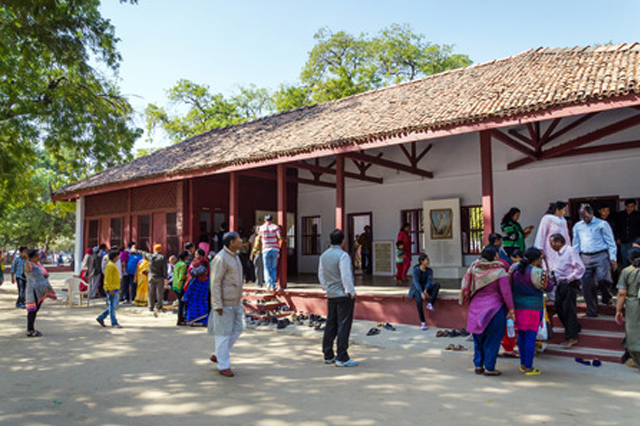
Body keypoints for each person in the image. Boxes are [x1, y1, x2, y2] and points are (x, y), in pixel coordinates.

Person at [461, 246, 514, 376]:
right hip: (494, 309)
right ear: (496, 256)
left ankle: (478, 365)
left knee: (478, 338)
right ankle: (490, 367)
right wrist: (511, 309)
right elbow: (506, 292)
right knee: (493, 339)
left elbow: (466, 286)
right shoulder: (499, 271)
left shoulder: (474, 268)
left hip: (475, 308)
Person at [319, 229, 358, 367]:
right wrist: (351, 291)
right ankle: (342, 356)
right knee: (343, 325)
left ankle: (328, 354)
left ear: (330, 241)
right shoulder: (343, 256)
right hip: (343, 295)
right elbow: (345, 276)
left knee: (331, 324)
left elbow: (321, 275)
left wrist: (326, 288)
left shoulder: (324, 256)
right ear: (343, 241)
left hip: (331, 294)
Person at [510, 247, 551, 375]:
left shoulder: (515, 269)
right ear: (537, 259)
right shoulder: (538, 272)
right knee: (530, 337)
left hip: (518, 306)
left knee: (521, 336)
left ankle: (523, 364)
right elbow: (549, 287)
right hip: (533, 308)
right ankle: (528, 367)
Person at [209, 232, 245, 377]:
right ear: (231, 243)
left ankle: (219, 353)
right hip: (224, 302)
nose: (241, 241)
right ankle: (223, 365)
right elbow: (215, 282)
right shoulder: (221, 258)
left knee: (238, 329)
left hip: (235, 301)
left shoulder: (235, 256)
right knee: (223, 335)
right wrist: (217, 304)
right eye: (238, 240)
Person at [573, 203, 617, 317]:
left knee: (604, 279)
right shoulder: (578, 226)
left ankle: (606, 297)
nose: (585, 219)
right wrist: (574, 259)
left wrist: (613, 258)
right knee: (586, 285)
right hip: (585, 256)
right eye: (582, 217)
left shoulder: (602, 224)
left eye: (586, 217)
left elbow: (611, 242)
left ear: (592, 213)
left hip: (601, 255)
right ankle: (591, 311)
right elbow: (576, 244)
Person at [549, 233, 585, 347]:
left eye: (552, 243)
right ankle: (574, 328)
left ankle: (572, 337)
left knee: (568, 310)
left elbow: (580, 267)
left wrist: (569, 279)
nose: (551, 246)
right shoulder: (558, 254)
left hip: (568, 284)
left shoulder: (570, 251)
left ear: (559, 242)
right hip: (560, 283)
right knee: (560, 309)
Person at [615, 247, 640, 372]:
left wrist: (618, 310)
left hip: (633, 304)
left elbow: (621, 293)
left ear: (630, 259)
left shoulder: (627, 271)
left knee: (634, 334)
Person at [24, 249, 57, 337]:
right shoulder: (30, 264)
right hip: (33, 289)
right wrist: (27, 260)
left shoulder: (38, 264)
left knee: (36, 310)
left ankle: (31, 328)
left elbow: (44, 273)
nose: (39, 257)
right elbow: (27, 270)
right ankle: (30, 330)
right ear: (32, 257)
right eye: (37, 255)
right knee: (32, 310)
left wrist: (45, 275)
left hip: (40, 290)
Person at [534, 201, 570, 271]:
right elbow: (541, 234)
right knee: (551, 267)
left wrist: (569, 248)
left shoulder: (563, 221)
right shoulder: (547, 219)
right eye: (564, 209)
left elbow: (567, 236)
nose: (565, 212)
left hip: (562, 248)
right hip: (549, 248)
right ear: (557, 210)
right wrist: (540, 249)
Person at [409, 254, 441, 330]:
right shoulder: (416, 270)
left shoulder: (429, 270)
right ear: (421, 261)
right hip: (417, 289)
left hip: (425, 289)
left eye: (428, 259)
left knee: (437, 285)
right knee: (419, 301)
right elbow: (416, 282)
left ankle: (430, 303)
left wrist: (426, 290)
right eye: (427, 260)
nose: (428, 261)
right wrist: (421, 292)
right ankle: (423, 322)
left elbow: (429, 281)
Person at [96, 251, 123, 328]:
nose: (118, 258)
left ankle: (101, 317)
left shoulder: (112, 265)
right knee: (112, 305)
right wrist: (110, 289)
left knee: (113, 305)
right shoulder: (110, 266)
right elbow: (108, 278)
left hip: (114, 287)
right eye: (117, 256)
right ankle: (114, 322)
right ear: (114, 257)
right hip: (112, 288)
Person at [184, 249, 211, 325]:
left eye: (197, 254)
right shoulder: (202, 262)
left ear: (201, 255)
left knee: (198, 302)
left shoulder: (202, 262)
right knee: (196, 302)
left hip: (199, 284)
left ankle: (199, 320)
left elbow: (196, 272)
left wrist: (192, 269)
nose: (195, 256)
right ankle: (196, 320)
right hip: (199, 284)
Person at [257, 215, 283, 291]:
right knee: (273, 268)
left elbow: (259, 237)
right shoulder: (275, 227)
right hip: (275, 249)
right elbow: (279, 237)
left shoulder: (261, 228)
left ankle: (268, 284)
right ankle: (273, 285)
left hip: (265, 249)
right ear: (272, 220)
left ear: (265, 220)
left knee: (266, 268)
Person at [141, 244, 168, 312]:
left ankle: (151, 306)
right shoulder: (162, 257)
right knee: (159, 292)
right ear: (160, 249)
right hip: (159, 277)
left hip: (151, 276)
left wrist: (136, 250)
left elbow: (143, 253)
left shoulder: (151, 256)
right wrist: (165, 276)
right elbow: (165, 268)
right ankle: (159, 306)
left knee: (151, 291)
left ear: (154, 249)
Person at [616, 199, 640, 268]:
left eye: (632, 206)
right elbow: (618, 227)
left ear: (634, 206)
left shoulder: (638, 215)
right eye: (628, 206)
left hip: (635, 240)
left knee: (634, 259)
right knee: (624, 259)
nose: (630, 208)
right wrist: (618, 238)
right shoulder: (620, 215)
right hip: (623, 240)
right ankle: (625, 276)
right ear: (625, 206)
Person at [173, 250, 189, 326]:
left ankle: (181, 319)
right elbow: (181, 277)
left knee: (180, 303)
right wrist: (189, 277)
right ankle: (180, 320)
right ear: (186, 257)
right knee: (181, 304)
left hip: (175, 285)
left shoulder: (177, 264)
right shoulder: (183, 265)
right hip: (180, 286)